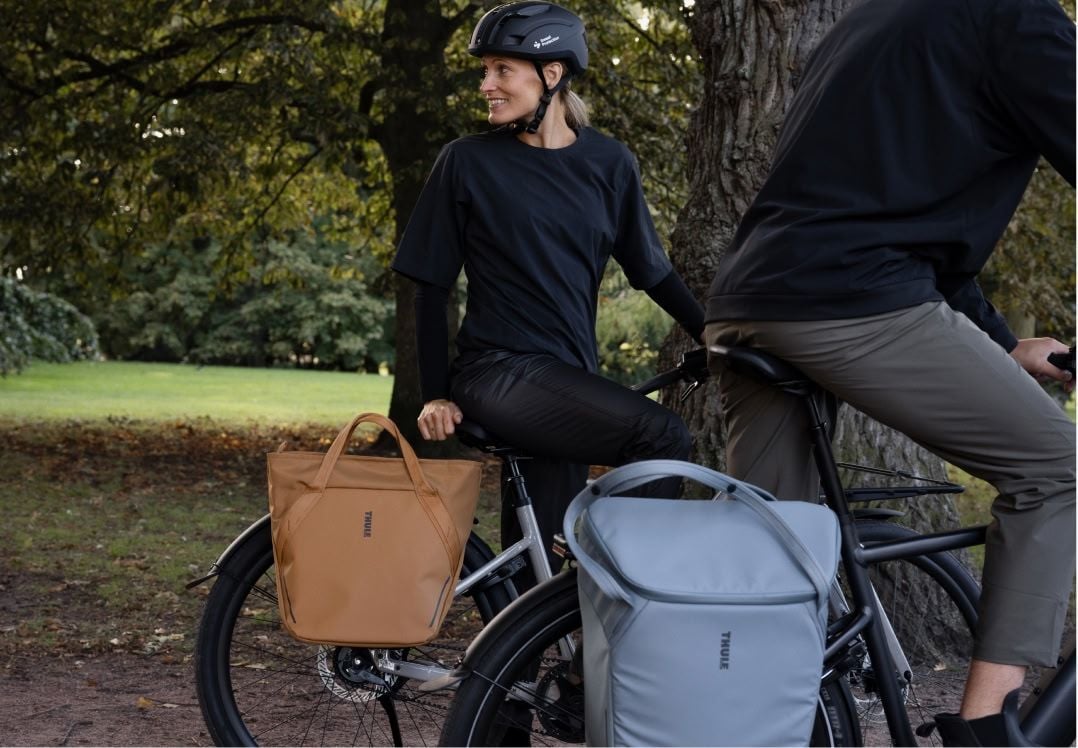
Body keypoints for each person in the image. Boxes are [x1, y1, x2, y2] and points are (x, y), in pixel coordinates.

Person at [704, 0, 1075, 743]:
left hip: (750, 299)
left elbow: (899, 212)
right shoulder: (1019, 21)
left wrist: (1001, 345)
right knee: (1057, 471)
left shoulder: (875, 20)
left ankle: (735, 716)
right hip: (852, 300)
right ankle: (986, 731)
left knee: (770, 562)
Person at [392, 1, 704, 579]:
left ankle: (528, 660)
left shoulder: (610, 164)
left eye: (501, 70)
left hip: (566, 380)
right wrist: (436, 393)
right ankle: (609, 563)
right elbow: (429, 287)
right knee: (661, 433)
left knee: (542, 566)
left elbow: (651, 271)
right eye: (484, 71)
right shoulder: (467, 162)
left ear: (551, 74)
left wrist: (717, 337)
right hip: (497, 372)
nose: (486, 85)